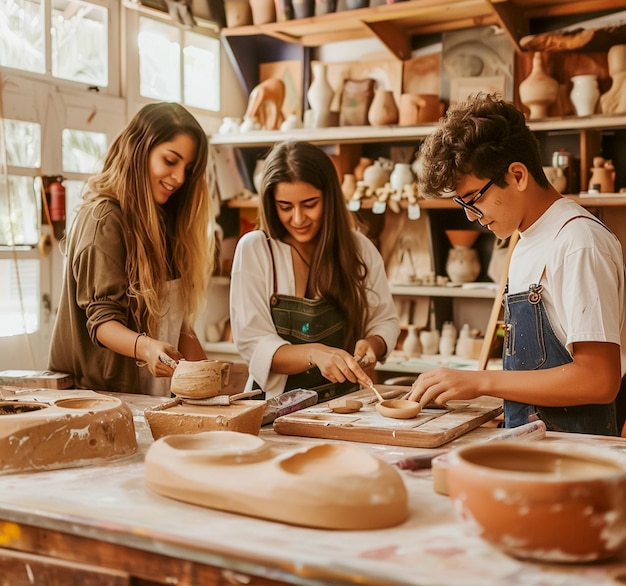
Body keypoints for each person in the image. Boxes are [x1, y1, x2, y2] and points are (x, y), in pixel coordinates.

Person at [407, 93, 626, 435]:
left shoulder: (578, 242)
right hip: (535, 448)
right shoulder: (525, 240)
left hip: (576, 459)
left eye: (474, 200)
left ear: (518, 175)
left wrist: (482, 382)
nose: (471, 217)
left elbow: (599, 380)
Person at [48, 102, 214, 395]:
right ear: (139, 150)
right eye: (170, 160)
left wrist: (210, 381)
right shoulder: (104, 219)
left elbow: (178, 325)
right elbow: (102, 322)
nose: (179, 178)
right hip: (97, 400)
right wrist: (146, 348)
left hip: (148, 398)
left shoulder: (166, 220)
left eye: (187, 169)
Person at [229, 139, 400, 400]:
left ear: (330, 198)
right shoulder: (255, 249)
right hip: (274, 407)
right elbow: (254, 343)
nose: (298, 219)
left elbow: (385, 320)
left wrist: (373, 344)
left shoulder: (359, 249)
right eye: (285, 207)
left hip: (344, 404)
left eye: (310, 204)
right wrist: (315, 353)